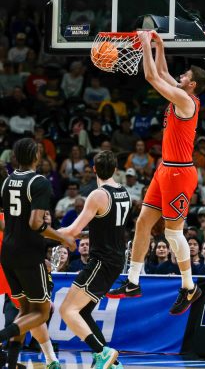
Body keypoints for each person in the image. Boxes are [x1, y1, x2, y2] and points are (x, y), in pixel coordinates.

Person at [107, 30, 205, 315]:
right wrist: (159, 47)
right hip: (165, 169)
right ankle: (132, 281)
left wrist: (143, 46)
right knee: (142, 224)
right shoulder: (181, 94)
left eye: (186, 75)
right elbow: (162, 72)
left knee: (172, 234)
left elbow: (153, 77)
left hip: (180, 173)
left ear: (193, 84)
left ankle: (189, 287)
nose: (181, 76)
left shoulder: (187, 101)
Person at [0, 138, 76, 368]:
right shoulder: (39, 181)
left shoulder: (7, 182)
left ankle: (11, 364)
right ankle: (2, 337)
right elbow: (35, 223)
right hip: (28, 253)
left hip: (8, 252)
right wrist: (64, 238)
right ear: (36, 156)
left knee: (25, 310)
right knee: (42, 313)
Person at [58, 150, 130, 369]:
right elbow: (105, 228)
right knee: (83, 311)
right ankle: (112, 362)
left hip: (102, 261)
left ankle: (103, 352)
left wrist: (48, 233)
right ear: (116, 170)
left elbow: (73, 230)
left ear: (94, 169)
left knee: (67, 311)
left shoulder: (98, 195)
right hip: (115, 260)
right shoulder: (123, 192)